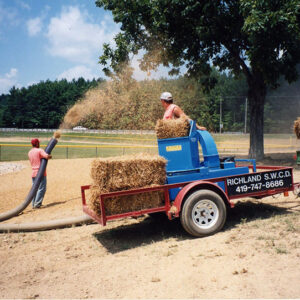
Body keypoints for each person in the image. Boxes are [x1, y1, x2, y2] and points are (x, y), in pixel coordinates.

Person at [28, 138, 52, 209]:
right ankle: (37, 204)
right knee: (42, 188)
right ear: (37, 144)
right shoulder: (40, 150)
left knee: (34, 189)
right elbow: (47, 156)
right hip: (40, 172)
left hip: (33, 173)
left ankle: (33, 204)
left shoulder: (29, 152)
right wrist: (50, 156)